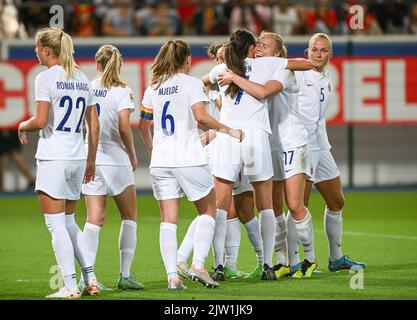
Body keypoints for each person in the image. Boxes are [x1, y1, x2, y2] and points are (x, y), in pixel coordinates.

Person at [138, 39, 243, 290]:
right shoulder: (192, 83)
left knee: (168, 220)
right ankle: (198, 264)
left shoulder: (153, 86)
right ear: (187, 60)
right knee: (207, 210)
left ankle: (172, 276)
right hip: (189, 158)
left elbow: (143, 125)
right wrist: (229, 129)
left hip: (161, 161)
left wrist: (154, 150)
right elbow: (201, 118)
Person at [209, 28, 313, 280]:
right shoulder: (268, 64)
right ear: (251, 47)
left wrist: (226, 81)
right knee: (264, 204)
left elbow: (203, 82)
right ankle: (268, 265)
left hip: (228, 136)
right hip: (255, 136)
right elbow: (306, 63)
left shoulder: (221, 69)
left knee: (221, 205)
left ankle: (219, 265)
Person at [17, 27, 100, 298]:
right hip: (77, 156)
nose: (35, 51)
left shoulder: (45, 78)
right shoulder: (82, 77)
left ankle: (70, 286)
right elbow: (92, 125)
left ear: (47, 50)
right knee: (69, 221)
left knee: (56, 225)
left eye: (37, 47)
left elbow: (40, 121)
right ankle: (91, 279)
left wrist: (22, 124)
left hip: (54, 156)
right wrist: (90, 161)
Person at [296, 33, 366, 272]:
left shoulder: (327, 78)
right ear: (307, 52)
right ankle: (296, 261)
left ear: (330, 54)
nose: (318, 54)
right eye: (314, 49)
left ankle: (335, 258)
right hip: (303, 145)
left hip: (321, 145)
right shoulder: (297, 74)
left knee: (336, 201)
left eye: (323, 50)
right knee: (299, 205)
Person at [81, 44, 144, 291]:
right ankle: (125, 275)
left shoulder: (88, 87)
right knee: (129, 217)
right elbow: (124, 127)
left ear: (97, 64)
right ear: (119, 65)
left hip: (93, 159)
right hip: (117, 160)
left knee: (94, 220)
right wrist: (132, 154)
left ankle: (87, 278)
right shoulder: (123, 90)